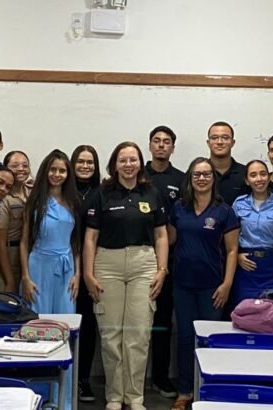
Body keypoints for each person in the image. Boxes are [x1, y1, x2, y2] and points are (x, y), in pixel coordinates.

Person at [83, 142, 169, 410]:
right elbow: (90, 237)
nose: (128, 165)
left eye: (133, 160)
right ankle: (114, 396)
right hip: (107, 263)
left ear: (140, 163)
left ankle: (135, 397)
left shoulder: (151, 192)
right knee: (110, 334)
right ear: (114, 164)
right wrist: (87, 272)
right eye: (123, 160)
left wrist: (162, 269)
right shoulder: (102, 193)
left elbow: (161, 235)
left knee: (139, 333)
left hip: (144, 263)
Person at [168, 157, 240, 410]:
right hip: (183, 284)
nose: (201, 179)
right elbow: (169, 240)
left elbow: (232, 251)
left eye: (206, 174)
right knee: (185, 338)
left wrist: (227, 284)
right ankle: (185, 392)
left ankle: (207, 391)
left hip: (213, 286)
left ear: (213, 178)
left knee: (209, 339)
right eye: (197, 174)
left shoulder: (224, 211)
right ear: (190, 178)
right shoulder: (179, 208)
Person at [145, 125, 184, 398]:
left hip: (168, 261)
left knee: (162, 322)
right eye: (156, 141)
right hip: (135, 258)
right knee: (133, 324)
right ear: (149, 145)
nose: (161, 145)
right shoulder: (136, 173)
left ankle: (160, 377)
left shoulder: (181, 180)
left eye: (166, 142)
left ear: (173, 147)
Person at [20, 150, 81, 313]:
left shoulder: (73, 202)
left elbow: (75, 242)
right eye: (52, 169)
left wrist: (77, 274)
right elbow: (24, 243)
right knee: (38, 318)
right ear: (45, 171)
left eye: (62, 171)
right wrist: (26, 277)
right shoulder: (34, 202)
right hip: (38, 267)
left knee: (66, 319)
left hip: (66, 269)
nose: (57, 174)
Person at [231, 160, 273, 305]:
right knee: (244, 314)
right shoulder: (239, 204)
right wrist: (237, 256)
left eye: (263, 174)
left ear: (269, 177)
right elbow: (230, 239)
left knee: (271, 314)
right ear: (247, 180)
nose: (259, 179)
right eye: (253, 175)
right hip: (245, 267)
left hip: (271, 266)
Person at [71, 144, 102, 403]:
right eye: (81, 161)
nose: (85, 166)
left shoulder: (102, 193)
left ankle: (83, 379)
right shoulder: (62, 191)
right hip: (63, 264)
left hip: (94, 266)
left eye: (90, 162)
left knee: (88, 324)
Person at [0, 150, 30, 292]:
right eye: (15, 165)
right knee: (4, 300)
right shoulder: (3, 197)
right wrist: (10, 279)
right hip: (5, 257)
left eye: (25, 165)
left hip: (26, 256)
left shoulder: (31, 192)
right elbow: (0, 243)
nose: (21, 169)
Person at [207, 121, 248, 203]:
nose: (219, 142)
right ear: (208, 143)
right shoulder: (198, 174)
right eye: (214, 138)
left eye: (225, 138)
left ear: (233, 143)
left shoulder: (246, 174)